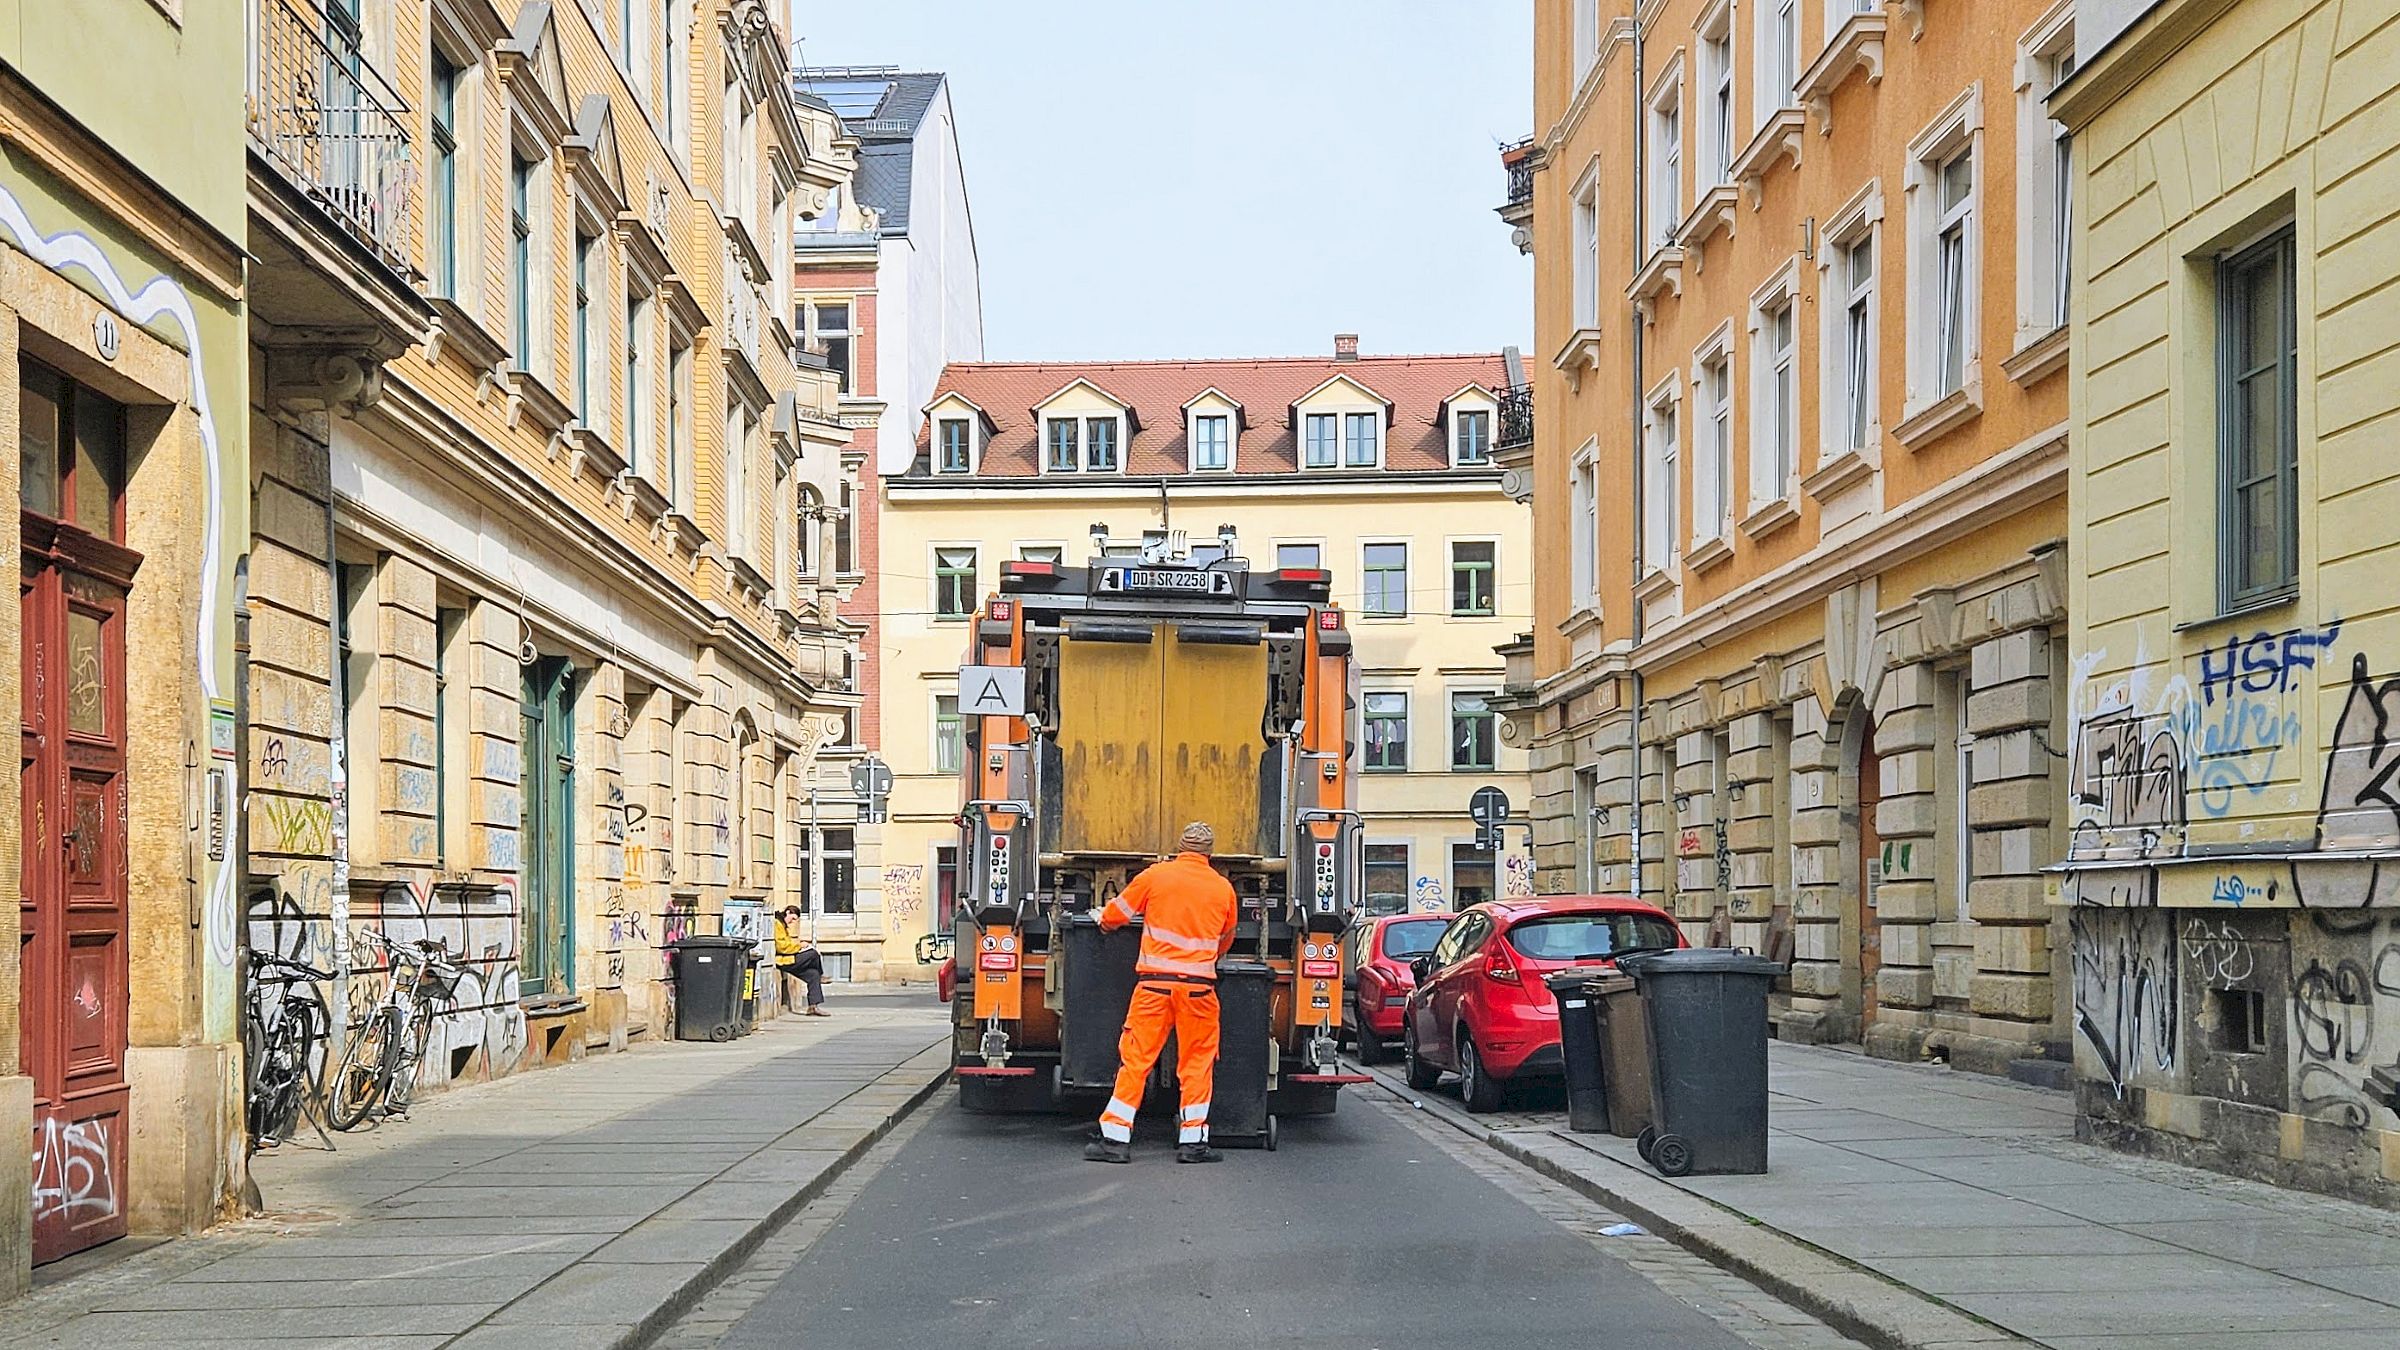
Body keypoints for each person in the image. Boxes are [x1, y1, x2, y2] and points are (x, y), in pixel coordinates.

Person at [1085, 822, 1240, 1165]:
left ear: (1179, 848)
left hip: (1153, 987)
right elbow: (1226, 938)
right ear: (1209, 854)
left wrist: (1103, 920)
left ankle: (1115, 1139)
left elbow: (1117, 914)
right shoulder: (1223, 889)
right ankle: (1193, 1143)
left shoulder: (1156, 876)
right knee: (1197, 1064)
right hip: (1199, 989)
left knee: (1136, 1059)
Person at [774, 906, 828, 1016]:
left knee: (813, 974)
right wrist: (799, 946)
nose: (792, 922)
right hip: (783, 960)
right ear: (787, 912)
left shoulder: (783, 926)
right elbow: (781, 946)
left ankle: (813, 1007)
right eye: (792, 918)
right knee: (813, 954)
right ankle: (821, 975)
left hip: (789, 958)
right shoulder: (777, 924)